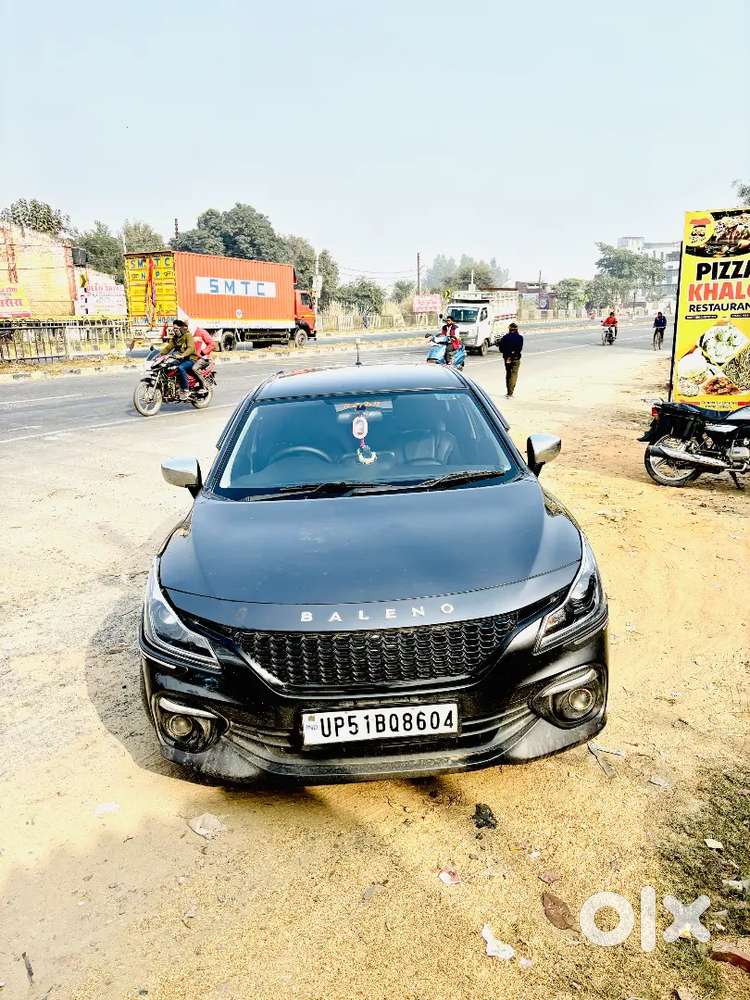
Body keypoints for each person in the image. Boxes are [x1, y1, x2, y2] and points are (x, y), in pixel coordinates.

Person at [160, 319, 199, 400]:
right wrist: (159, 355)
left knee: (181, 368)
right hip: (180, 359)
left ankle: (186, 390)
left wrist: (182, 355)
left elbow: (191, 348)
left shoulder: (188, 335)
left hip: (191, 359)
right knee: (167, 367)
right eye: (173, 328)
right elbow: (168, 348)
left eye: (176, 328)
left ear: (181, 328)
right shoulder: (175, 338)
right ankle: (170, 388)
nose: (174, 330)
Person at [498, 322, 524, 397]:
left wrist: (508, 353)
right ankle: (511, 392)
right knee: (514, 374)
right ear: (516, 329)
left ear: (509, 329)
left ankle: (508, 391)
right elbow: (519, 349)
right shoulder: (520, 338)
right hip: (516, 358)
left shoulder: (505, 338)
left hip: (507, 358)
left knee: (508, 373)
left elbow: (501, 349)